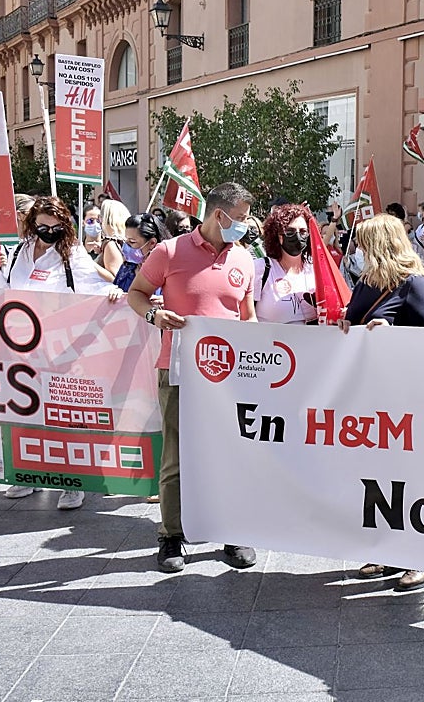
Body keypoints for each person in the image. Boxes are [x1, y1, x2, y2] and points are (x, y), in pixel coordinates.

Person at [126, 182, 259, 574]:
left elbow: (247, 315)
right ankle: (171, 535)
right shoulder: (170, 252)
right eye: (241, 217)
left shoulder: (245, 259)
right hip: (179, 368)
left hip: (231, 375)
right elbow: (137, 292)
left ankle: (233, 531)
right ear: (219, 215)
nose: (245, 225)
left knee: (230, 454)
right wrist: (155, 315)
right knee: (176, 457)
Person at [0, 195, 122, 510]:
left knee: (62, 415)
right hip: (20, 346)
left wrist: (114, 293)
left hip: (61, 346)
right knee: (26, 410)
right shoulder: (19, 251)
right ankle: (29, 476)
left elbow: (93, 286)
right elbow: (3, 291)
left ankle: (73, 483)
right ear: (32, 223)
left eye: (55, 226)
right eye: (42, 225)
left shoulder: (70, 253)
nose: (48, 231)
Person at [340, 214, 424, 591]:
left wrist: (393, 333)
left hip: (411, 396)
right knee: (381, 479)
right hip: (374, 395)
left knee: (414, 479)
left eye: (365, 243)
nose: (358, 250)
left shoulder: (415, 284)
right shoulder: (367, 282)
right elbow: (357, 320)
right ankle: (389, 550)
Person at [254, 204, 318, 325]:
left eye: (303, 231)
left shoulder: (315, 270)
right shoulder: (261, 269)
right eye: (290, 231)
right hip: (269, 342)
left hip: (310, 341)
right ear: (278, 236)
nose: (298, 236)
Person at [113, 213, 169, 293]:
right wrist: (115, 292)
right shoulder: (126, 268)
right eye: (126, 240)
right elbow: (116, 289)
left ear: (152, 243)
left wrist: (163, 301)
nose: (126, 246)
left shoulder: (167, 272)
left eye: (132, 242)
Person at [97, 199, 132, 279]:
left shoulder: (110, 243)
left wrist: (88, 262)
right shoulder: (127, 242)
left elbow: (114, 277)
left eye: (99, 217)